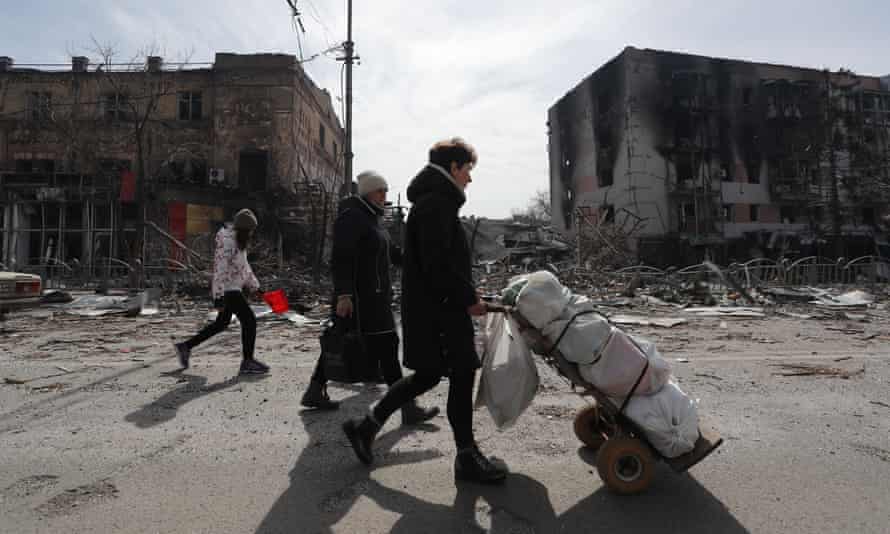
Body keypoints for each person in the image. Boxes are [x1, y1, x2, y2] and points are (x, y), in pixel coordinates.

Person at [342, 138, 507, 484]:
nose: (470, 179)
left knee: (430, 374)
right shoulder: (436, 205)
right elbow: (438, 265)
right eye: (468, 171)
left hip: (434, 308)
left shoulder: (434, 202)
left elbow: (438, 262)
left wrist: (467, 292)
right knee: (462, 372)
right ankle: (466, 457)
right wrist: (466, 299)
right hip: (441, 311)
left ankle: (366, 426)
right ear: (453, 168)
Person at [301, 172, 439, 426]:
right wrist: (343, 294)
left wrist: (418, 260)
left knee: (339, 341)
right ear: (366, 192)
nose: (384, 197)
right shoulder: (352, 217)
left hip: (374, 299)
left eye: (386, 192)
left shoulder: (373, 220)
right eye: (380, 192)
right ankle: (408, 407)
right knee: (387, 349)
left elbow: (391, 254)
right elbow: (341, 257)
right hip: (360, 300)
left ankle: (314, 391)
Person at [174, 208, 270, 376]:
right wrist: (218, 297)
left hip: (233, 288)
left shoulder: (238, 243)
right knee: (249, 320)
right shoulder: (228, 242)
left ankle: (186, 346)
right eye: (251, 231)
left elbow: (244, 269)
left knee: (221, 324)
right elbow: (220, 270)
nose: (252, 234)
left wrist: (257, 288)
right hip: (228, 290)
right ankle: (247, 361)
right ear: (244, 229)